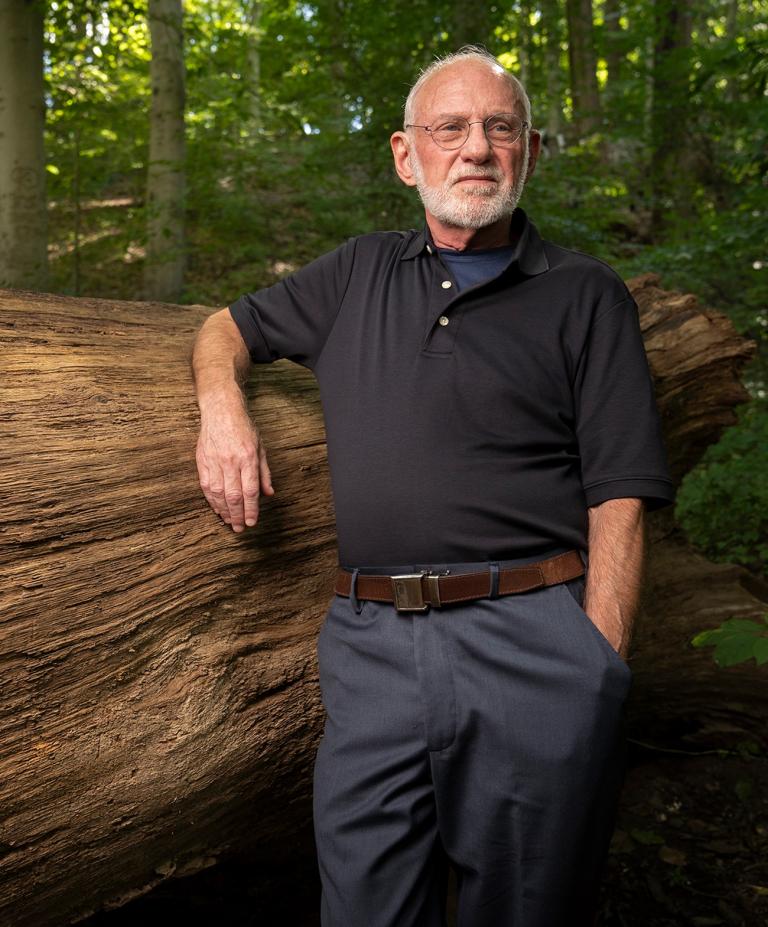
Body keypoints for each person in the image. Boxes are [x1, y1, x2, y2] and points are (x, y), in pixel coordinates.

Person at [192, 45, 675, 927]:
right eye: (449, 128)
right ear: (406, 155)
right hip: (372, 644)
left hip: (533, 640)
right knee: (365, 906)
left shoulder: (585, 295)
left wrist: (596, 665)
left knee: (530, 908)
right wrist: (222, 407)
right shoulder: (357, 272)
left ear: (529, 152)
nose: (477, 148)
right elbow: (225, 329)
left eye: (501, 128)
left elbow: (621, 489)